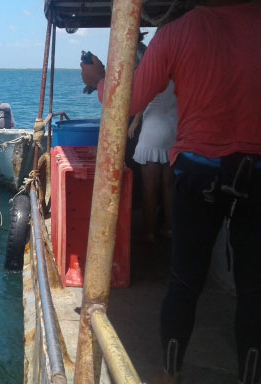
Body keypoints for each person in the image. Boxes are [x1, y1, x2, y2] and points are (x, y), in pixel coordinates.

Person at [81, 1, 261, 383]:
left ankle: (169, 376)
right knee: (254, 289)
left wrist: (99, 78)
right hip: (256, 174)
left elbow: (124, 102)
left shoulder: (177, 32)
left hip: (199, 176)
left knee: (183, 282)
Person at [128, 81, 177, 244]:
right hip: (173, 130)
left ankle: (149, 233)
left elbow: (139, 101)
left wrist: (135, 122)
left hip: (153, 131)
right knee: (168, 186)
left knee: (150, 188)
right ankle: (169, 229)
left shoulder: (154, 75)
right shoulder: (178, 75)